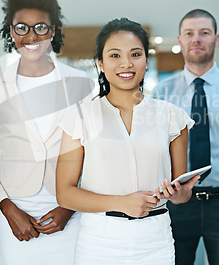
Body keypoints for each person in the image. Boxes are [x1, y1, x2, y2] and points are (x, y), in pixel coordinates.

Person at [56, 17, 200, 265]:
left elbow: (182, 192)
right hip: (99, 241)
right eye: (115, 55)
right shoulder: (79, 116)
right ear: (100, 63)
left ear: (146, 60)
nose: (126, 63)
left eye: (135, 54)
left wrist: (179, 194)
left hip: (156, 240)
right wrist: (121, 203)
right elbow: (65, 194)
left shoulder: (172, 117)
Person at [0, 0, 94, 264]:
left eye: (41, 27)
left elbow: (94, 155)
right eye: (22, 27)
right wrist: (5, 208)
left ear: (52, 31)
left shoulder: (81, 85)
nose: (32, 36)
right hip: (14, 212)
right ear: (11, 32)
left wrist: (69, 208)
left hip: (69, 210)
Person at [152, 9, 219, 264]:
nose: (196, 39)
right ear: (179, 40)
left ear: (216, 39)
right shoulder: (161, 92)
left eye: (204, 33)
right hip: (176, 203)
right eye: (189, 33)